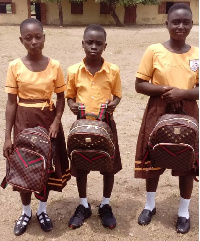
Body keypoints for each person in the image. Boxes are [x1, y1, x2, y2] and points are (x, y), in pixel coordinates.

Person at [2, 18, 71, 236]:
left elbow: (61, 97)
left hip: (47, 122)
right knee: (24, 167)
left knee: (45, 167)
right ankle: (25, 212)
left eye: (38, 37)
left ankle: (42, 210)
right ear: (21, 40)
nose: (34, 41)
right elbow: (11, 103)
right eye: (28, 38)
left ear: (44, 37)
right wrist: (7, 137)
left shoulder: (55, 66)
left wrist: (57, 120)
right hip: (23, 122)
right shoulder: (14, 66)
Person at [134, 3, 199, 234]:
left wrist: (183, 93)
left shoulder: (197, 54)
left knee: (187, 161)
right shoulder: (154, 51)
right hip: (158, 110)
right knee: (154, 157)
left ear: (192, 24)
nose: (181, 26)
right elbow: (139, 85)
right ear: (167, 24)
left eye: (186, 22)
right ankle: (150, 205)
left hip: (188, 111)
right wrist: (164, 90)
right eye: (175, 22)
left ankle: (183, 211)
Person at [66, 24, 122, 229]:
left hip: (106, 125)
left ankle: (106, 205)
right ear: (83, 44)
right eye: (89, 42)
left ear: (105, 46)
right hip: (82, 126)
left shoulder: (113, 70)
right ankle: (83, 204)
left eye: (98, 43)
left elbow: (117, 96)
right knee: (81, 165)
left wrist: (113, 104)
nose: (93, 46)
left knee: (109, 167)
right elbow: (70, 97)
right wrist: (73, 107)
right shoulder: (73, 71)